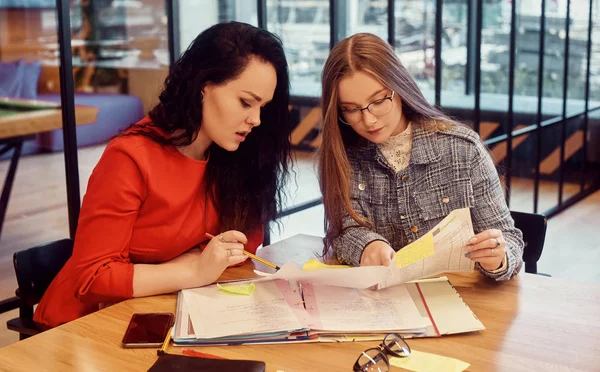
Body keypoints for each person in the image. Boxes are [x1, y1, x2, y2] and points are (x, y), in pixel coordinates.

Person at [34, 22, 293, 327]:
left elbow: (243, 244)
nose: (256, 119)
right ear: (203, 86)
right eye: (246, 102)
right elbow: (93, 278)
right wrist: (193, 270)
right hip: (84, 324)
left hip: (164, 309)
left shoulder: (233, 156)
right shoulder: (131, 157)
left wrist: (196, 266)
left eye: (263, 107)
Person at [318, 33, 523, 280]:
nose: (368, 119)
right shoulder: (344, 156)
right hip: (385, 303)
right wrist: (367, 246)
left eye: (379, 100)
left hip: (461, 300)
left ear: (400, 88)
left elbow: (509, 240)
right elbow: (343, 230)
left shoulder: (462, 150)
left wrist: (498, 258)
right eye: (351, 109)